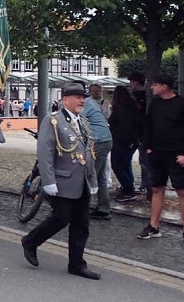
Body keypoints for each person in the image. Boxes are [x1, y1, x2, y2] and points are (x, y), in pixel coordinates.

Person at [21, 82, 100, 279]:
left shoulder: (84, 123)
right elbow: (45, 152)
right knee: (61, 218)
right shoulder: (54, 121)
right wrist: (48, 181)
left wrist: (94, 180)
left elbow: (89, 154)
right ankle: (31, 241)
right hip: (62, 180)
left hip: (81, 182)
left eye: (83, 97)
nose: (81, 100)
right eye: (77, 97)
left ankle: (77, 264)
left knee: (81, 224)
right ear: (65, 99)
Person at [137, 74, 184, 247]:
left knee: (182, 191)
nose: (151, 88)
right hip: (156, 154)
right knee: (157, 188)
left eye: (154, 85)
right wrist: (147, 148)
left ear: (164, 86)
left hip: (176, 155)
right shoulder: (155, 104)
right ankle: (154, 225)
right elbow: (148, 127)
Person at [83, 84, 113, 220]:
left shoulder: (84, 104)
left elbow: (74, 122)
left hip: (98, 141)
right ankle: (103, 208)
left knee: (88, 175)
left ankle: (80, 208)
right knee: (100, 176)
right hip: (105, 140)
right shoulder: (90, 102)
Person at [108, 85, 142, 202]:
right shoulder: (133, 105)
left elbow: (122, 125)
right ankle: (129, 186)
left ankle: (128, 189)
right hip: (132, 140)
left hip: (121, 140)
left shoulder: (120, 107)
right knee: (126, 164)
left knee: (117, 165)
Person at [128, 72, 151, 198]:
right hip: (143, 132)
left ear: (136, 82)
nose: (130, 84)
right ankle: (145, 183)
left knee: (143, 159)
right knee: (144, 158)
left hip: (140, 132)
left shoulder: (136, 96)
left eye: (131, 81)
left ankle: (145, 184)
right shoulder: (149, 95)